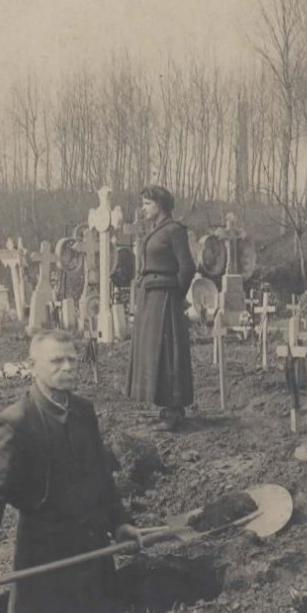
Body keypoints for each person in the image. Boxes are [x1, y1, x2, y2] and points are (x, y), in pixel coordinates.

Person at [0, 329, 143, 613]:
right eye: (56, 361)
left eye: (72, 360)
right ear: (33, 366)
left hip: (91, 552)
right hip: (43, 556)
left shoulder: (84, 412)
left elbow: (100, 477)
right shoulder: (17, 422)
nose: (68, 368)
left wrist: (120, 523)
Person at [126, 185, 196, 431]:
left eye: (147, 203)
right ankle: (165, 407)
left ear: (161, 205)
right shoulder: (155, 231)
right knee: (154, 352)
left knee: (168, 353)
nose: (143, 208)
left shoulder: (174, 231)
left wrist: (175, 295)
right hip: (151, 297)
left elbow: (187, 267)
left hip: (165, 297)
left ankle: (174, 411)